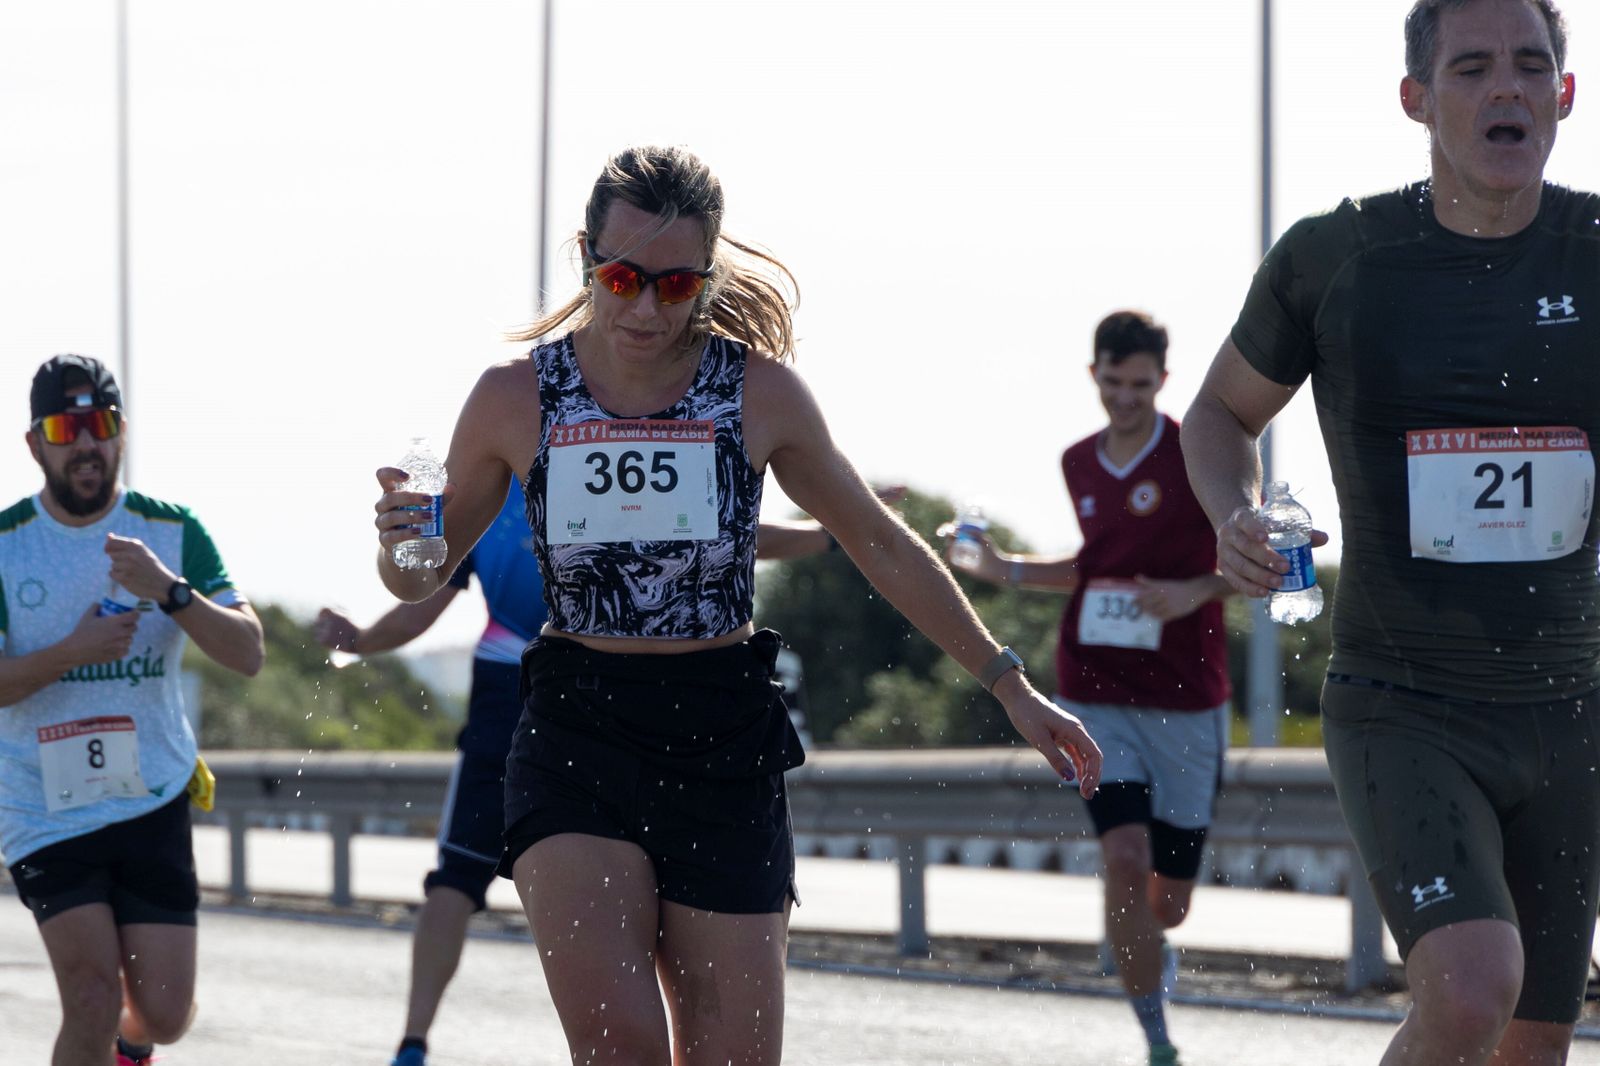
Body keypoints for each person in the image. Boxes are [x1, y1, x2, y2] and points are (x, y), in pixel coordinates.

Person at [368, 145, 1101, 1066]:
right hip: (574, 731)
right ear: (587, 258)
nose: (644, 308)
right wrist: (402, 541)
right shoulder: (517, 398)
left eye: (674, 285)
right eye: (624, 277)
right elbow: (424, 573)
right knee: (621, 1047)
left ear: (708, 277)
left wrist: (1010, 684)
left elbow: (880, 543)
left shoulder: (758, 393)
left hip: (722, 731)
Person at [1181, 3, 1597, 1063]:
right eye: (1470, 67)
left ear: (1563, 93)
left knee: (1530, 1044)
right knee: (1468, 989)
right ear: (1416, 99)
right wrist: (1235, 510)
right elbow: (1220, 414)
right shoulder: (1337, 256)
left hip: (1572, 712)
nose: (1504, 87)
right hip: (1405, 703)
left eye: (1528, 65)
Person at [319, 479, 891, 1066]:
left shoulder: (493, 474)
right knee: (486, 891)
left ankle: (413, 1042)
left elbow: (424, 593)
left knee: (457, 878)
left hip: (518, 696)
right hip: (606, 690)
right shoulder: (584, 442)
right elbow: (732, 532)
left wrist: (361, 640)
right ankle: (420, 1042)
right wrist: (828, 535)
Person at [947, 310, 1230, 1066]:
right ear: (1094, 375)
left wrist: (1196, 590)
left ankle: (1148, 957)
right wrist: (1002, 568)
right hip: (1095, 690)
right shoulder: (1078, 461)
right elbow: (1092, 567)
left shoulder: (1197, 451)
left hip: (1186, 699)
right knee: (1125, 859)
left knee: (1167, 901)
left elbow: (1255, 562)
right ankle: (1157, 1037)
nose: (1126, 398)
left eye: (1142, 385)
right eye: (1114, 383)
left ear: (1163, 381)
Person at [0, 355, 265, 1066]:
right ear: (35, 444)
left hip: (150, 797)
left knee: (165, 1015)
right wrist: (72, 650)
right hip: (43, 805)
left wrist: (172, 591)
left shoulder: (170, 531)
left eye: (100, 425)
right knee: (88, 994)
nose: (84, 443)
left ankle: (132, 1045)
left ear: (120, 434)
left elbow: (248, 652)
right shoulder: (6, 544)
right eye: (64, 427)